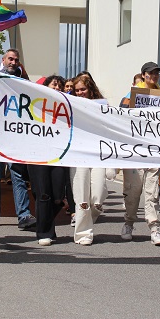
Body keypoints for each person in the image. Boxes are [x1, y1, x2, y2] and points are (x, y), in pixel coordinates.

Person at [0, 48, 36, 231]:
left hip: (15, 138)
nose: (13, 63)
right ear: (3, 60)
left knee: (18, 177)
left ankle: (23, 215)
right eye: (10, 59)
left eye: (16, 60)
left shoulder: (22, 82)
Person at [119, 61, 160, 246]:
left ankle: (154, 229)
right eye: (151, 73)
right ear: (144, 75)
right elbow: (120, 114)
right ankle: (128, 223)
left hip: (154, 150)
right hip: (134, 150)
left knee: (152, 192)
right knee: (132, 192)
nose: (154, 76)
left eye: (157, 74)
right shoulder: (132, 94)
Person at [28, 74, 69, 246]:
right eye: (54, 85)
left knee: (58, 196)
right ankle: (44, 232)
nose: (58, 88)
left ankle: (43, 222)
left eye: (60, 86)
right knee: (43, 194)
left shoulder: (67, 108)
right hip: (37, 155)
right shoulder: (35, 107)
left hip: (59, 156)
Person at [70, 73, 108, 245]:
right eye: (77, 90)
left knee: (98, 198)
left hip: (98, 155)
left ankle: (88, 222)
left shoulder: (102, 105)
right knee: (82, 198)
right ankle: (83, 233)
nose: (80, 93)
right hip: (78, 155)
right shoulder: (69, 105)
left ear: (90, 88)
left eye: (83, 89)